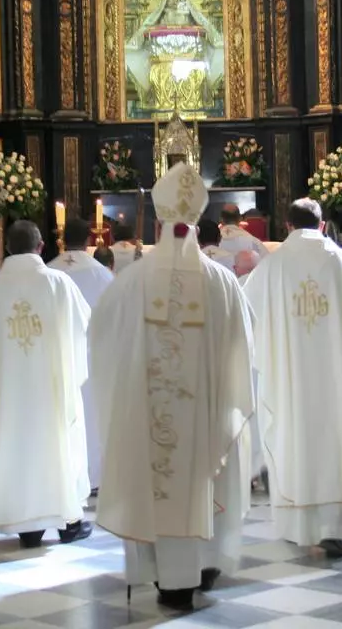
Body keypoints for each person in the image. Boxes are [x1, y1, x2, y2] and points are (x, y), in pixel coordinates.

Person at [90, 164, 255, 611]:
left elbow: (101, 342)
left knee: (152, 474)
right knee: (204, 475)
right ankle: (204, 564)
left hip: (147, 417)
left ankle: (165, 574)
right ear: (198, 222)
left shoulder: (132, 280)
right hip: (206, 420)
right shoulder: (223, 281)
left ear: (159, 223)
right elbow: (244, 349)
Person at [244, 197, 342, 559]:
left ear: (287, 226)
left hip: (290, 381)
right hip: (333, 378)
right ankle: (335, 525)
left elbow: (247, 308)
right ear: (321, 225)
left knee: (295, 439)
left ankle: (300, 524)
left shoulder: (273, 266)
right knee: (333, 440)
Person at [0, 221, 93, 547]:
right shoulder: (59, 283)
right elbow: (83, 326)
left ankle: (28, 528)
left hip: (8, 392)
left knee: (15, 446)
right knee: (59, 445)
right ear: (41, 247)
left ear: (8, 248)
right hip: (51, 389)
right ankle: (68, 522)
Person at [49, 217, 114, 490]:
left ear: (63, 239)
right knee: (92, 415)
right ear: (89, 239)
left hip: (57, 355)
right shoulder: (102, 275)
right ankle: (94, 477)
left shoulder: (48, 270)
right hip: (92, 357)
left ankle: (63, 477)